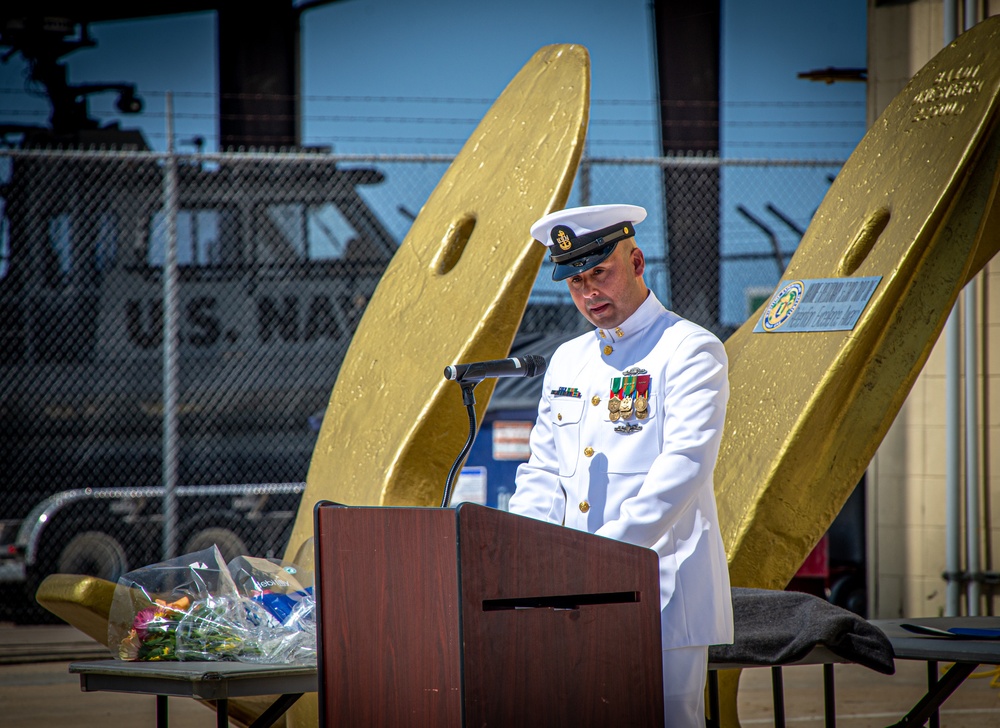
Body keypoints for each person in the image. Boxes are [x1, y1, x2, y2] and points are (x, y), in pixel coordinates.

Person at [507, 204, 734, 727]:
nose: (588, 293)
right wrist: (521, 552)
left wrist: (602, 555)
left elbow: (683, 467)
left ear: (636, 262)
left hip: (663, 593)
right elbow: (543, 469)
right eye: (575, 281)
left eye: (600, 274)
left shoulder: (690, 349)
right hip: (571, 592)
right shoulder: (568, 359)